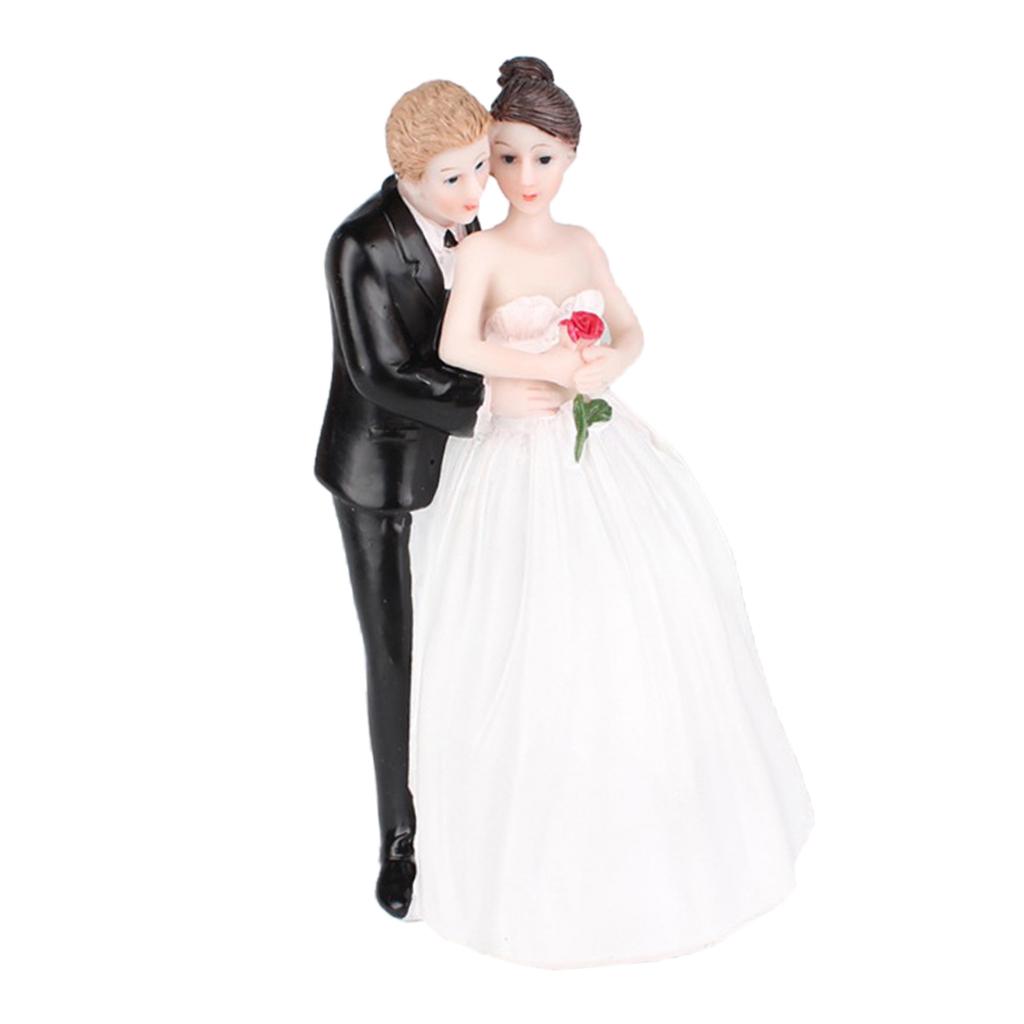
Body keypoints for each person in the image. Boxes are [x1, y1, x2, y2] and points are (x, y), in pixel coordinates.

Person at [404, 57, 816, 968]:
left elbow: (629, 327)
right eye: (507, 159)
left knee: (644, 596)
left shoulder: (583, 243)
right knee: (524, 617)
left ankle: (647, 818)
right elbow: (459, 344)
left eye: (542, 159)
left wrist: (603, 366)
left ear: (571, 157)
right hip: (518, 449)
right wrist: (540, 368)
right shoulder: (484, 251)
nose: (524, 177)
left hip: (596, 440)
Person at [314, 79, 565, 919]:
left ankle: (479, 794)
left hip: (465, 465)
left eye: (480, 170)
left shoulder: (473, 225)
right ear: (406, 174)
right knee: (395, 653)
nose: (475, 192)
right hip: (382, 473)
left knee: (478, 627)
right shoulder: (358, 246)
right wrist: (491, 398)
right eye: (453, 178)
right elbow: (380, 374)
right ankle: (399, 835)